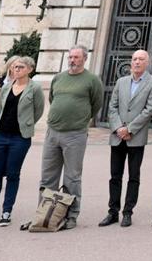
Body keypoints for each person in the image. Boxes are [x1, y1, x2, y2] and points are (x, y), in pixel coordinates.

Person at [32, 45, 104, 231]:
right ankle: (45, 214)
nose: (72, 60)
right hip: (53, 132)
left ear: (84, 59)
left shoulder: (92, 80)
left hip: (75, 134)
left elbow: (96, 104)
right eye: (70, 57)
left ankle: (71, 215)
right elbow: (52, 99)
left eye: (76, 57)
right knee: (48, 178)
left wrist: (80, 119)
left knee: (72, 178)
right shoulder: (58, 78)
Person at [100, 49, 152, 228]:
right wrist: (118, 127)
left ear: (147, 62)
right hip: (117, 136)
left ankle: (127, 212)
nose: (137, 62)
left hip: (135, 137)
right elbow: (112, 106)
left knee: (133, 176)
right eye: (134, 59)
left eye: (141, 59)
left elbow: (149, 110)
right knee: (115, 176)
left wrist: (130, 129)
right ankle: (112, 212)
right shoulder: (121, 82)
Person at [0, 55, 43, 227]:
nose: (16, 70)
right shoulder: (6, 87)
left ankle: (7, 211)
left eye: (20, 67)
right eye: (14, 67)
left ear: (29, 70)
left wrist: (26, 124)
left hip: (20, 137)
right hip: (0, 135)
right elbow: (0, 109)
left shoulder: (35, 88)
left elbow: (38, 111)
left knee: (13, 174)